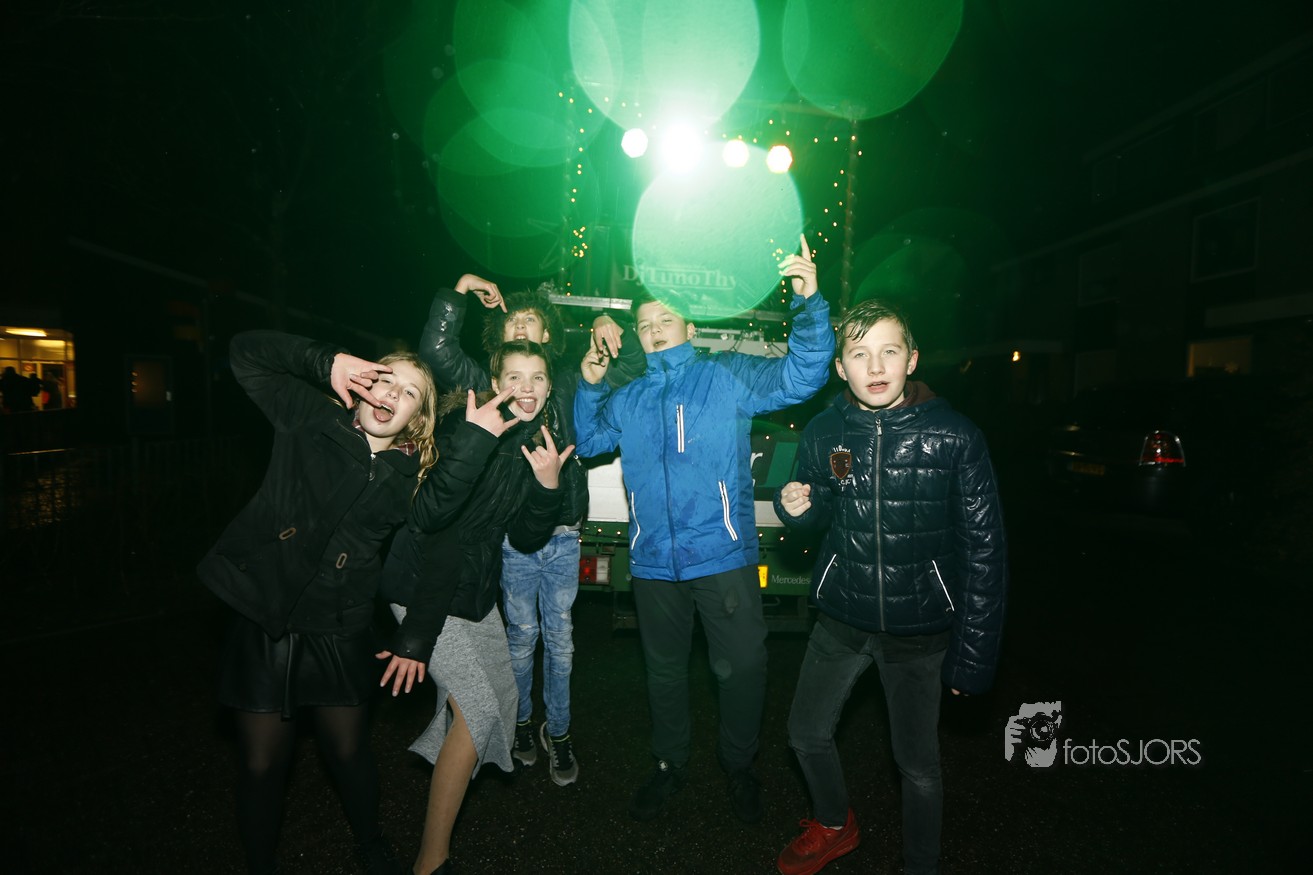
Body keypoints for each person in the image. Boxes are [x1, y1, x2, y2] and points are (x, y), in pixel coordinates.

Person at [572, 235, 834, 824]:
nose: (655, 331)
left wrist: (809, 303)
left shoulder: (725, 377)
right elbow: (587, 442)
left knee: (744, 670)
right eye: (645, 325)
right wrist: (590, 383)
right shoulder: (630, 397)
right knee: (664, 673)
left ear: (690, 327)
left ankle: (739, 766)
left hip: (723, 556)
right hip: (652, 564)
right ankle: (669, 764)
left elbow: (803, 375)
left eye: (665, 320)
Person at [771, 299, 1008, 875]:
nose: (875, 366)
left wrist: (973, 658)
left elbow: (985, 553)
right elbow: (820, 510)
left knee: (918, 766)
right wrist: (797, 508)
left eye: (889, 351)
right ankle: (834, 824)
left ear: (912, 359)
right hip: (841, 619)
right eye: (859, 354)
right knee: (804, 735)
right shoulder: (825, 431)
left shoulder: (956, 437)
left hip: (919, 633)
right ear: (840, 368)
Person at [196, 329, 440, 875]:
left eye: (409, 393)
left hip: (340, 625)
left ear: (417, 420)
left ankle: (370, 842)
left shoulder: (413, 480)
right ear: (363, 383)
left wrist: (414, 637)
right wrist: (325, 361)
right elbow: (244, 353)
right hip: (267, 617)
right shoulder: (311, 417)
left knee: (348, 753)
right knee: (262, 764)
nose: (391, 394)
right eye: (385, 380)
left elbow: (431, 561)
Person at [417, 273, 643, 785]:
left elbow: (627, 368)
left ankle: (557, 732)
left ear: (548, 336)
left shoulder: (565, 380)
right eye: (512, 320)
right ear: (499, 341)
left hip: (563, 531)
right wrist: (458, 289)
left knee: (561, 643)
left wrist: (612, 327)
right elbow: (437, 350)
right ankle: (519, 724)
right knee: (520, 641)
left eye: (531, 320)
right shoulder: (489, 383)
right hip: (513, 539)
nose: (520, 325)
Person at [381, 340, 573, 875]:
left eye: (537, 377)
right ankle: (430, 862)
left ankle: (446, 774)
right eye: (514, 377)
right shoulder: (467, 427)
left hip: (472, 592)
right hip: (425, 588)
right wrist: (417, 634)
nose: (527, 388)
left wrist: (548, 488)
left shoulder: (533, 442)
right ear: (495, 383)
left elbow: (526, 537)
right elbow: (432, 524)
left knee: (503, 701)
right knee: (479, 710)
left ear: (549, 387)